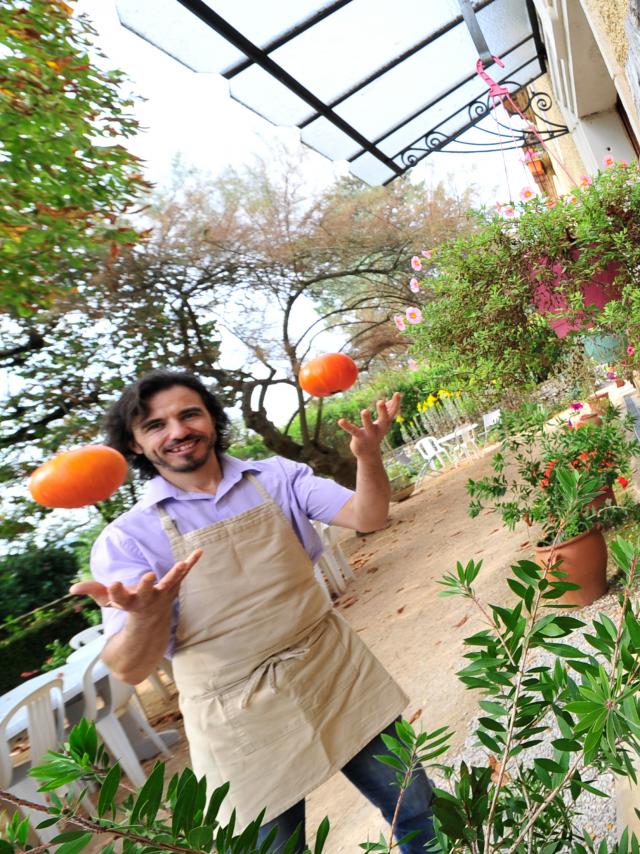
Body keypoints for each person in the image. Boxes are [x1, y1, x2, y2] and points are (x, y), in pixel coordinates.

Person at [71, 370, 436, 853]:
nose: (177, 432)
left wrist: (368, 456)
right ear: (136, 445)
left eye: (188, 414)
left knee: (418, 810)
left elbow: (367, 517)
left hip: (333, 670)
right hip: (235, 714)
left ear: (212, 420)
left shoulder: (277, 477)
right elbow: (131, 667)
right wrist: (146, 614)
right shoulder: (126, 538)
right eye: (155, 426)